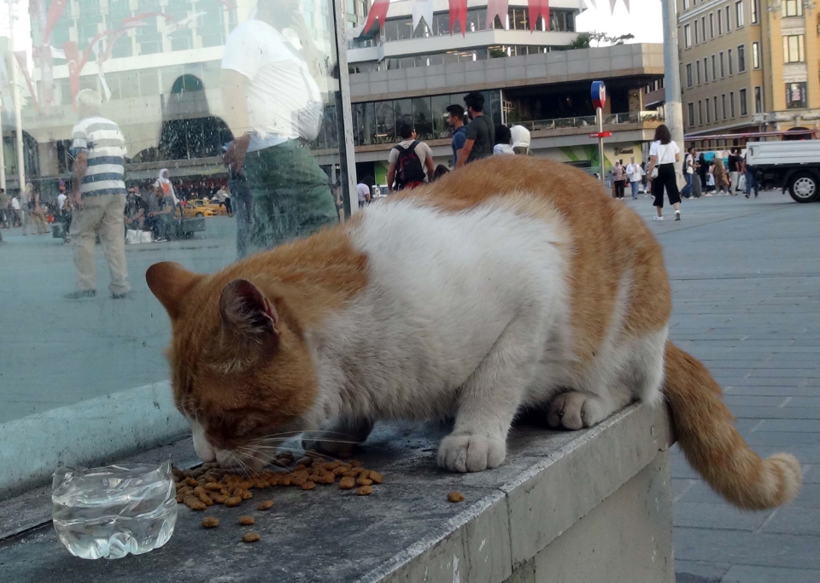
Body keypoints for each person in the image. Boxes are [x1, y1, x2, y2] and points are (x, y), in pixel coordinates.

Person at [221, 0, 338, 256]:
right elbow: (232, 84)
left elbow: (319, 74)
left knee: (275, 232)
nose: (296, 3)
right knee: (321, 217)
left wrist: (306, 38)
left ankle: (268, 285)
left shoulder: (280, 42)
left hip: (281, 146)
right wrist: (241, 136)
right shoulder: (250, 32)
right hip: (277, 146)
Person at [66, 88, 130, 299]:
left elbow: (81, 160)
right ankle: (121, 285)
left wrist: (76, 190)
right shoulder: (114, 127)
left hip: (93, 189)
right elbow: (123, 159)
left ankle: (86, 286)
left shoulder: (81, 127)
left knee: (82, 234)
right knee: (114, 238)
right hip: (117, 189)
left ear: (82, 105)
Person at [645, 124, 682, 221]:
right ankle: (677, 210)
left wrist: (649, 172)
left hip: (659, 168)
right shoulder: (673, 143)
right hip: (670, 167)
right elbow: (677, 158)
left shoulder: (655, 145)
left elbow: (653, 159)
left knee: (658, 191)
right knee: (672, 188)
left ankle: (660, 215)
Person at [387, 123, 434, 192]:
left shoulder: (395, 150)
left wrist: (390, 189)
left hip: (403, 189)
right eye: (414, 131)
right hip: (421, 187)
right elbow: (431, 169)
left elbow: (391, 172)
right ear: (412, 133)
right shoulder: (423, 146)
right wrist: (430, 181)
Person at [456, 91, 494, 168]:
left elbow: (466, 150)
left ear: (470, 108)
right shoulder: (490, 121)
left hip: (476, 167)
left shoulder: (474, 124)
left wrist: (457, 170)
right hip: (490, 164)